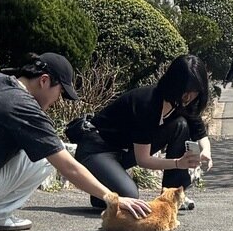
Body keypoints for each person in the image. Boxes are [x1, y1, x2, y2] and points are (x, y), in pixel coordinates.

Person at [0, 53, 151, 231]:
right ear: (44, 81)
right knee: (47, 155)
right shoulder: (23, 106)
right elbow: (68, 167)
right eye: (60, 92)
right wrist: (113, 198)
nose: (58, 100)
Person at [73, 55, 213, 212]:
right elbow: (143, 160)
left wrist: (206, 151)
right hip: (97, 149)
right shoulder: (147, 103)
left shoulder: (182, 104)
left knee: (181, 125)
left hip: (123, 151)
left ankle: (172, 195)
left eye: (195, 91)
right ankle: (103, 191)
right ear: (174, 84)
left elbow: (199, 132)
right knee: (129, 195)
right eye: (185, 90)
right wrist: (177, 163)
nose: (189, 96)